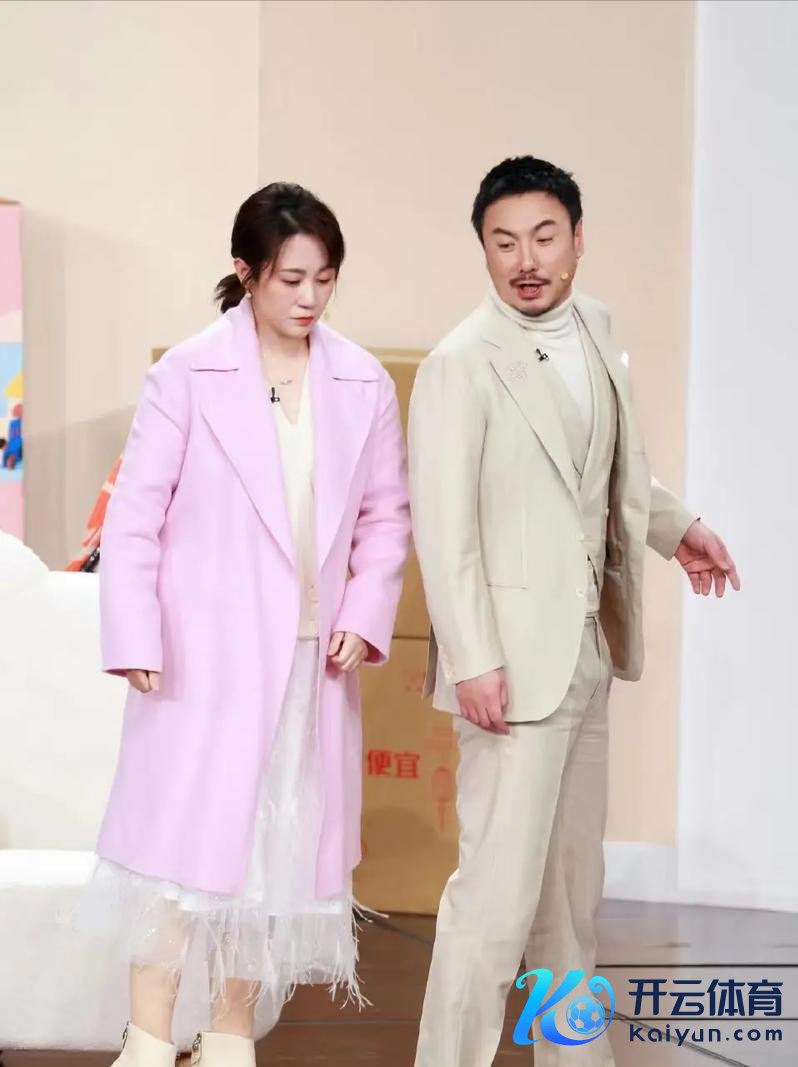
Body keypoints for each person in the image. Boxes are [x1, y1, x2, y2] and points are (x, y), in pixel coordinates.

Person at [408, 156, 740, 1067]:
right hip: (509, 668)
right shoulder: (459, 363)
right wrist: (473, 658)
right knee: (493, 906)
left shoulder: (595, 327)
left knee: (570, 899)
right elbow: (445, 528)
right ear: (483, 249)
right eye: (504, 242)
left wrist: (678, 528)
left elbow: (609, 471)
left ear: (578, 239)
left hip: (588, 649)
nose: (526, 260)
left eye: (544, 237)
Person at [78, 183, 410, 1066]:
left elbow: (385, 518)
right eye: (291, 278)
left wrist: (364, 611)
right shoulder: (187, 373)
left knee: (275, 851)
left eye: (324, 279)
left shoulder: (362, 382)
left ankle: (230, 1036)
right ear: (247, 272)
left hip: (309, 661)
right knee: (176, 850)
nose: (309, 298)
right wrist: (135, 634)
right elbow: (135, 515)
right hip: (201, 657)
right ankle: (149, 1039)